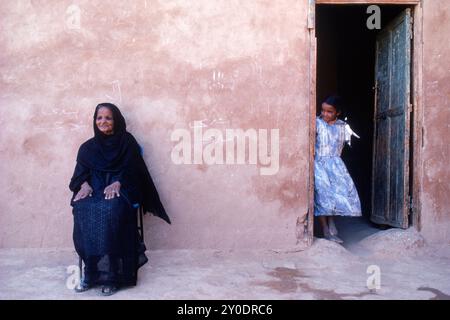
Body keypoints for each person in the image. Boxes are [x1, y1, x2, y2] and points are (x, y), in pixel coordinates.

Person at [69, 103, 170, 295]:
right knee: (82, 207)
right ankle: (90, 271)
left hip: (123, 190)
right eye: (99, 118)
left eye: (108, 118)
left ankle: (112, 275)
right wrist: (84, 185)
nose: (103, 121)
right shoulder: (87, 148)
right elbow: (78, 176)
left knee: (112, 209)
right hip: (95, 190)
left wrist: (119, 183)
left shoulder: (127, 142)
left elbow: (136, 173)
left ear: (116, 120)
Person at [314, 95, 361, 244]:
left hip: (335, 164)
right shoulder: (317, 123)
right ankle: (325, 230)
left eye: (329, 112)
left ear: (338, 112)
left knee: (335, 194)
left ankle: (332, 221)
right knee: (322, 195)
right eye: (323, 110)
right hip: (319, 163)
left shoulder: (342, 126)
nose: (325, 114)